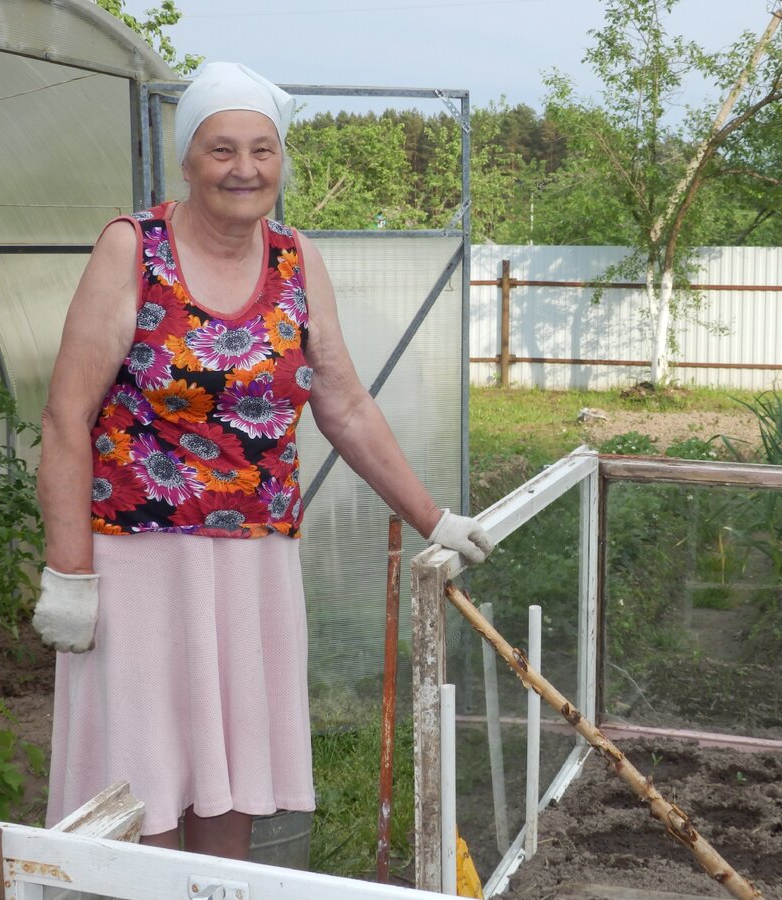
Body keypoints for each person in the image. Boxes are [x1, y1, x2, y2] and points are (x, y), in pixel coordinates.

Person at [32, 61, 494, 860]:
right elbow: (66, 416)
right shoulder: (132, 250)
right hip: (141, 560)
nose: (243, 169)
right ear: (187, 161)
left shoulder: (294, 260)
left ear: (280, 160)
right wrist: (70, 575)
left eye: (261, 150)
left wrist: (434, 517)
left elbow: (343, 402)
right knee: (142, 778)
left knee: (232, 773)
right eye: (221, 150)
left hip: (252, 563)